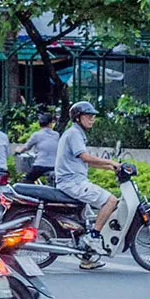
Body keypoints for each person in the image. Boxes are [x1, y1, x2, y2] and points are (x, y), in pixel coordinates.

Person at [54, 101, 121, 270]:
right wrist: (110, 162)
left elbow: (87, 162)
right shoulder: (74, 134)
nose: (92, 119)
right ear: (78, 118)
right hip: (72, 182)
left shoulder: (76, 133)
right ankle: (94, 237)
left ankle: (86, 258)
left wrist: (112, 167)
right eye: (89, 116)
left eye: (93, 116)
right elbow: (85, 157)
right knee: (111, 201)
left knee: (88, 220)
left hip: (74, 181)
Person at [16, 112, 59, 183]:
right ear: (50, 124)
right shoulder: (56, 135)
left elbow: (25, 148)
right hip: (55, 166)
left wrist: (17, 150)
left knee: (27, 180)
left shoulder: (37, 135)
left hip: (41, 166)